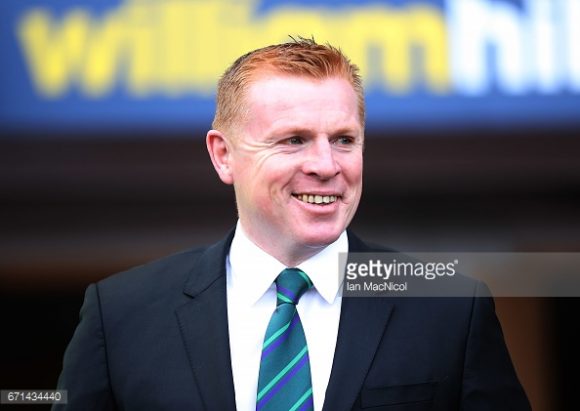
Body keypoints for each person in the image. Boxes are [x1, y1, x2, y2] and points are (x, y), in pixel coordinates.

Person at [54, 38, 530, 410]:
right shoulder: (120, 316)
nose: (326, 164)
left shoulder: (449, 306)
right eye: (294, 140)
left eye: (344, 139)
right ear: (223, 155)